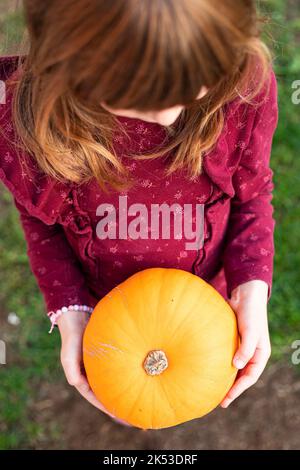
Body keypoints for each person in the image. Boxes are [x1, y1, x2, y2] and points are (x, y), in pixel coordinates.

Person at [0, 0, 278, 421]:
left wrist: (250, 291)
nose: (167, 112)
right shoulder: (23, 119)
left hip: (205, 295)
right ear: (68, 57)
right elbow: (40, 220)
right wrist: (72, 309)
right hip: (103, 301)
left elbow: (252, 194)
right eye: (133, 94)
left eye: (189, 86)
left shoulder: (242, 87)